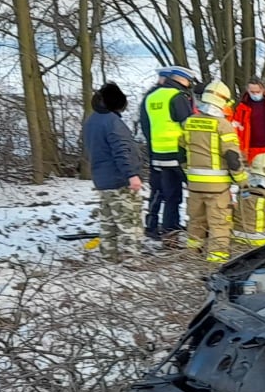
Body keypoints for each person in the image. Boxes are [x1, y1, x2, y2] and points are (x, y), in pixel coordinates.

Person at [182, 80, 247, 261]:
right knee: (219, 224)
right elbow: (232, 159)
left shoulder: (189, 122)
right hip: (217, 188)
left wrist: (187, 171)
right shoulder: (223, 125)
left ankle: (192, 258)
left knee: (196, 222)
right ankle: (216, 263)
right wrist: (242, 181)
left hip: (194, 185)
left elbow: (182, 150)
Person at [82, 81, 145, 257]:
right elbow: (122, 151)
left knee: (108, 222)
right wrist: (132, 174)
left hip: (102, 180)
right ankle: (131, 259)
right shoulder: (113, 123)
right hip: (119, 180)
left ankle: (109, 256)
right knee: (129, 221)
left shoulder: (91, 121)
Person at [139, 66, 198, 245]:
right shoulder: (177, 96)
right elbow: (189, 126)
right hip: (179, 154)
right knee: (197, 192)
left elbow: (146, 127)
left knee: (169, 194)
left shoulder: (150, 97)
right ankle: (198, 232)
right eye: (188, 81)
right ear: (182, 79)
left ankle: (168, 234)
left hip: (159, 155)